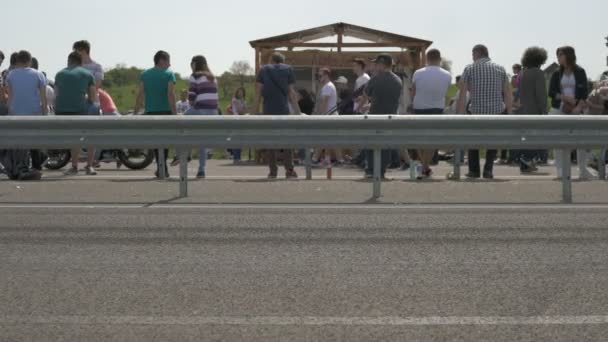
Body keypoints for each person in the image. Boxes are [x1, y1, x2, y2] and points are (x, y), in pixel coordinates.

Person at [456, 44, 512, 179]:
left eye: (472, 54)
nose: (472, 57)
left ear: (477, 54)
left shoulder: (470, 68)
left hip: (476, 111)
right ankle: (488, 169)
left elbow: (462, 94)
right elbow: (508, 93)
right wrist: (509, 113)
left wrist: (460, 115)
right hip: (496, 112)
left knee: (473, 141)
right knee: (492, 142)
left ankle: (474, 170)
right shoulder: (500, 69)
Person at [253, 52, 301, 179]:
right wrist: (298, 112)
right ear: (282, 61)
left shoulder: (263, 70)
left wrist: (253, 112)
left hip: (268, 110)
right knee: (287, 141)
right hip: (283, 110)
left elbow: (258, 93)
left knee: (271, 141)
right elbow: (292, 93)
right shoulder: (288, 69)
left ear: (271, 60)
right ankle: (289, 170)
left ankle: (273, 171)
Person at [548, 46, 592, 180]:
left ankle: (583, 170)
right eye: (557, 55)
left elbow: (584, 93)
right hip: (559, 109)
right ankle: (560, 171)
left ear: (569, 55)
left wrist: (578, 107)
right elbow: (551, 93)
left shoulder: (580, 71)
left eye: (561, 55)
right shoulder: (556, 73)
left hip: (576, 109)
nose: (558, 57)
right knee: (558, 141)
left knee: (582, 141)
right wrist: (564, 98)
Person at [54, 52, 98, 175]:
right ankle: (89, 166)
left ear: (69, 61)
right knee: (90, 133)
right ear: (81, 62)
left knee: (74, 137)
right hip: (79, 111)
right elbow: (92, 97)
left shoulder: (59, 74)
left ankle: (74, 166)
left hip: (60, 111)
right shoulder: (87, 74)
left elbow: (57, 94)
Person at [134, 50, 177, 178]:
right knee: (165, 141)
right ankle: (163, 168)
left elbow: (140, 94)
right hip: (165, 112)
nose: (170, 64)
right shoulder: (169, 74)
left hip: (150, 113)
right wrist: (174, 113)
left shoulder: (144, 74)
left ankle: (161, 168)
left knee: (156, 141)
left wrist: (136, 111)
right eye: (168, 61)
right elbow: (171, 94)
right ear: (162, 60)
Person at [411, 49, 452, 179]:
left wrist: (412, 104)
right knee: (432, 140)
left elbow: (413, 92)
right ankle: (425, 167)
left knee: (419, 138)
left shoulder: (418, 73)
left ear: (426, 59)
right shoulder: (447, 75)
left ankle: (423, 166)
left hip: (419, 108)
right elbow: (447, 94)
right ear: (439, 59)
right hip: (437, 109)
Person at [364, 54, 403, 179]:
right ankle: (381, 171)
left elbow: (367, 93)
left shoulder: (375, 78)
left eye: (376, 64)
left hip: (374, 116)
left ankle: (371, 170)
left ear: (382, 64)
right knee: (385, 145)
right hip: (390, 117)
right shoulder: (398, 80)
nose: (375, 66)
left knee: (371, 144)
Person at [184, 55, 219, 179]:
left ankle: (184, 153)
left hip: (200, 111)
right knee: (202, 140)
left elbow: (192, 98)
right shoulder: (213, 78)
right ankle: (201, 170)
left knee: (180, 122)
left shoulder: (195, 76)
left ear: (194, 64)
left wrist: (192, 104)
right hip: (213, 113)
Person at [517, 47, 549, 174]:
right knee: (536, 137)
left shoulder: (524, 73)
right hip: (535, 110)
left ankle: (525, 161)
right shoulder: (538, 73)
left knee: (527, 137)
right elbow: (541, 94)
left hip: (524, 110)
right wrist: (544, 109)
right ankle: (527, 160)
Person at [230, 87, 248, 163]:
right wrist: (243, 109)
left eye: (242, 92)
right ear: (237, 93)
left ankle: (238, 157)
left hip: (242, 121)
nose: (240, 93)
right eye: (239, 92)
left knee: (240, 139)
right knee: (236, 139)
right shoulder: (235, 100)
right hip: (236, 120)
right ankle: (236, 157)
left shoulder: (243, 101)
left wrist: (243, 108)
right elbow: (240, 111)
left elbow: (244, 110)